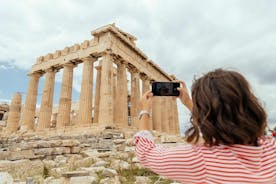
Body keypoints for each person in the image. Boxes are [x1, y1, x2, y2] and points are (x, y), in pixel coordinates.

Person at [134, 69, 276, 183]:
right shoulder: (271, 146)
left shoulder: (202, 161)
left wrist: (145, 111)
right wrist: (188, 102)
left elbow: (146, 153)